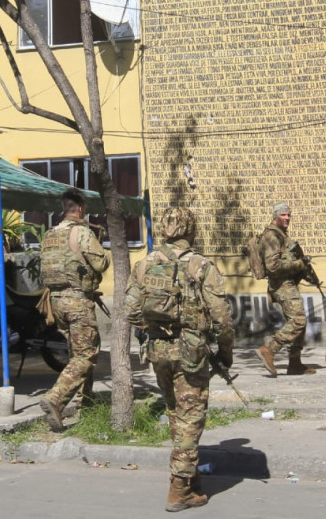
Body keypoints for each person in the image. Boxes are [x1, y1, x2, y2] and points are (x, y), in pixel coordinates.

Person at [127, 207, 234, 513]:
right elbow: (222, 319)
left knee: (176, 411)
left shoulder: (145, 263)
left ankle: (189, 475)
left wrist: (154, 329)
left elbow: (131, 310)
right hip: (191, 354)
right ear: (191, 230)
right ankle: (179, 489)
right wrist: (225, 354)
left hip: (158, 352)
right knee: (191, 415)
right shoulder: (201, 265)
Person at [38, 188, 110, 430]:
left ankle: (85, 406)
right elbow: (100, 263)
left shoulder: (50, 234)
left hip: (56, 303)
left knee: (78, 354)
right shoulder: (81, 232)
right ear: (80, 209)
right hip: (77, 301)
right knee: (86, 355)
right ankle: (55, 399)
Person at [255, 203, 314, 376]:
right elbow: (273, 266)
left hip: (287, 284)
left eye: (289, 215)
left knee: (299, 323)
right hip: (282, 285)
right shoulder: (272, 236)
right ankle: (269, 350)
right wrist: (299, 264)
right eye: (283, 215)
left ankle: (295, 363)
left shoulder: (281, 235)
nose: (287, 218)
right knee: (298, 321)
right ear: (275, 216)